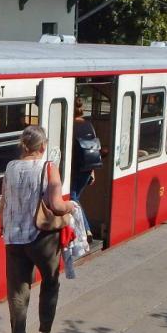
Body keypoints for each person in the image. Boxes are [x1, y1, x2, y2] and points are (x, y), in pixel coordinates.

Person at [0, 125, 75, 333]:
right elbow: (56, 205)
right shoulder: (48, 167)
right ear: (42, 146)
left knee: (17, 288)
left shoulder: (10, 167)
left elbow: (3, 202)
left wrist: (3, 227)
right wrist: (70, 206)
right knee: (50, 282)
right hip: (42, 238)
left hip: (13, 237)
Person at [70, 97, 102, 232]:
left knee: (73, 198)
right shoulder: (89, 125)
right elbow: (93, 148)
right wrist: (92, 171)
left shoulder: (70, 126)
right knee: (75, 197)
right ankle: (80, 232)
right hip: (87, 170)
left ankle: (85, 230)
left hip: (74, 169)